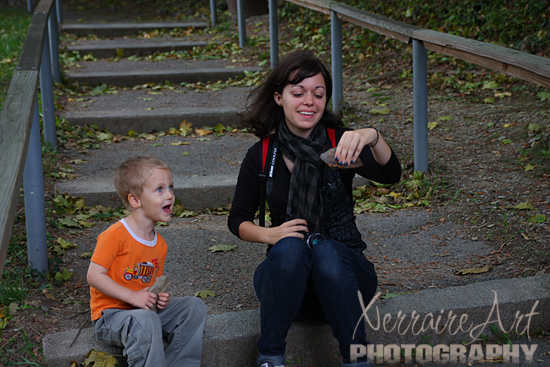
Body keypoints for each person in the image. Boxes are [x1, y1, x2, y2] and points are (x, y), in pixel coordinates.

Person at [228, 50, 402, 367]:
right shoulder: (263, 153)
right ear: (279, 98)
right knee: (292, 247)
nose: (310, 101)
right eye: (299, 92)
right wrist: (269, 234)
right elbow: (237, 220)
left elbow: (390, 175)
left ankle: (357, 360)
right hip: (287, 285)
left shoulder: (341, 144)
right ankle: (269, 359)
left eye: (318, 94)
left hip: (346, 281)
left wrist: (372, 136)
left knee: (326, 251)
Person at [87, 156, 207, 367]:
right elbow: (94, 276)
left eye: (171, 187)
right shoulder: (115, 235)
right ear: (135, 200)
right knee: (146, 320)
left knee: (194, 307)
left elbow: (148, 285)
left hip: (144, 312)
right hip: (111, 316)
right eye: (159, 189)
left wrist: (159, 297)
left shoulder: (159, 243)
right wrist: (132, 296)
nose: (170, 195)